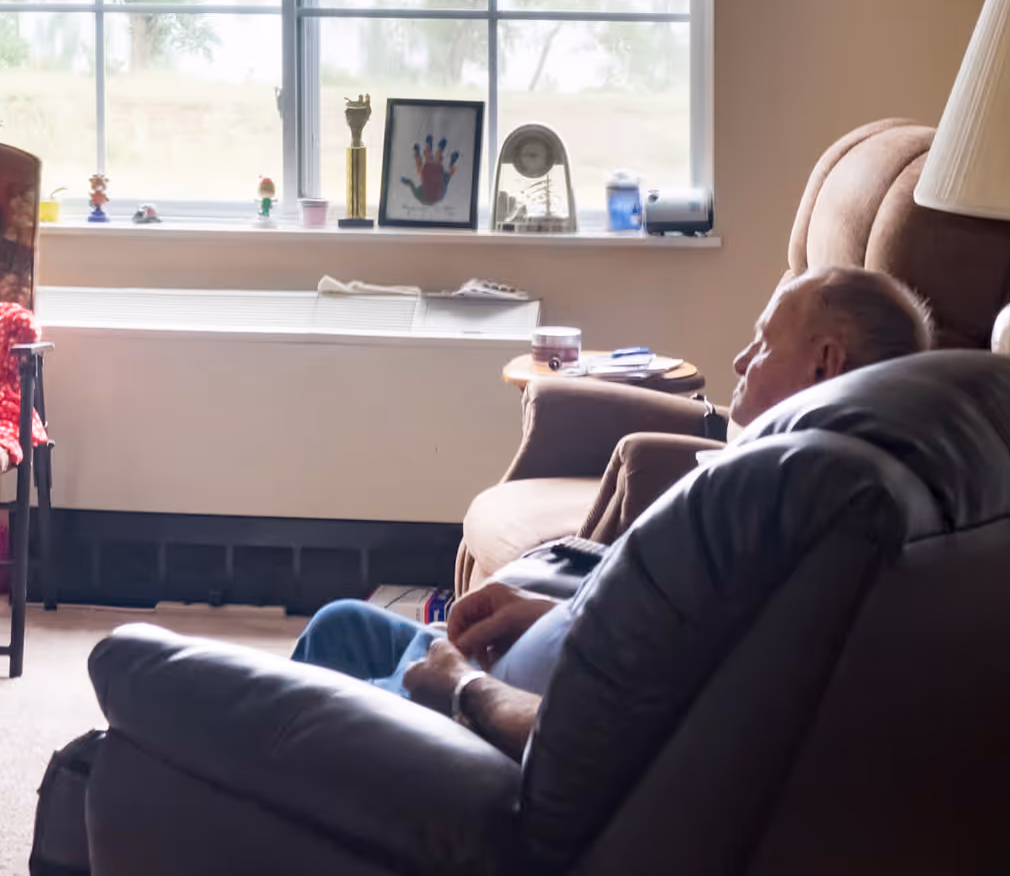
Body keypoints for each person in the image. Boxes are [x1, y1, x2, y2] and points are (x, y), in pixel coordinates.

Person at [291, 265, 934, 760]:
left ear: (826, 362)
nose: (740, 361)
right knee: (343, 625)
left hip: (483, 737)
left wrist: (460, 685)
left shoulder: (755, 519)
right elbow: (661, 648)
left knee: (236, 708)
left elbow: (598, 744)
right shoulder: (804, 498)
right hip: (524, 677)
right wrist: (551, 613)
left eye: (764, 343)